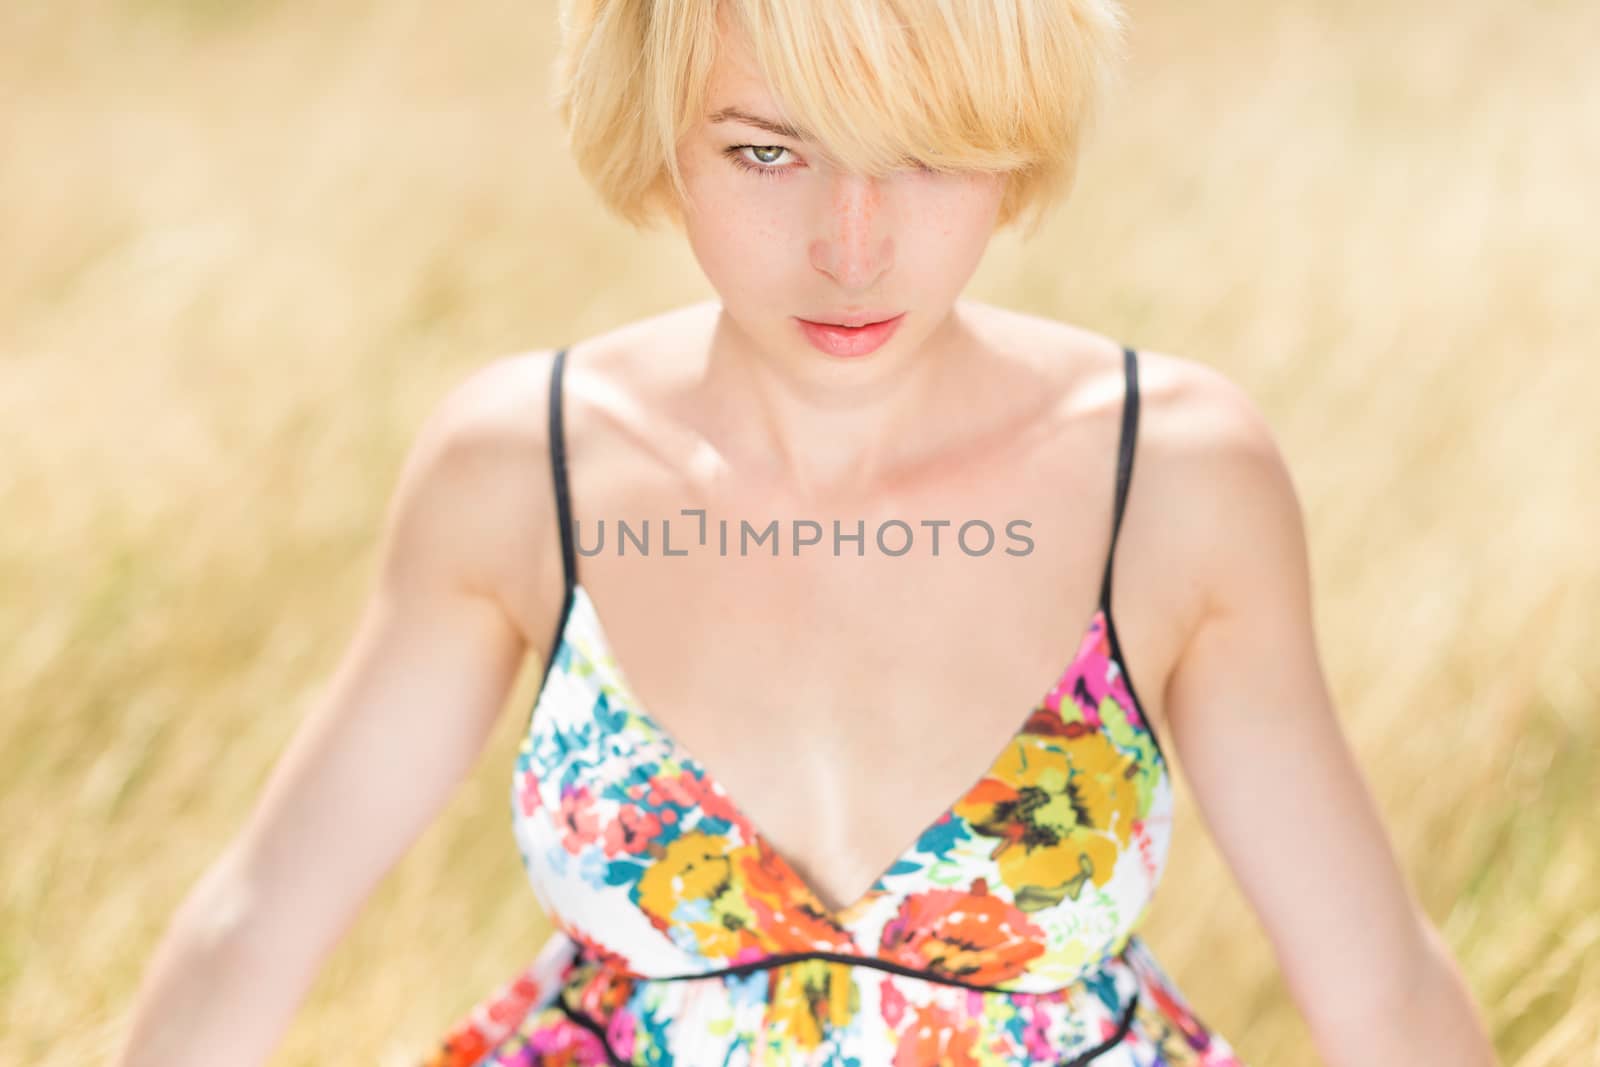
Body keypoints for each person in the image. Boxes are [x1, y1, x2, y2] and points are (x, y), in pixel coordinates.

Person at [112, 1, 1500, 1065]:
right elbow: (254, 925)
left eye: (929, 154)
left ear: (1014, 142)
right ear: (655, 126)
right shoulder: (518, 470)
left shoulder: (1177, 478)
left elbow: (1378, 985)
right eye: (767, 150)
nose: (852, 244)